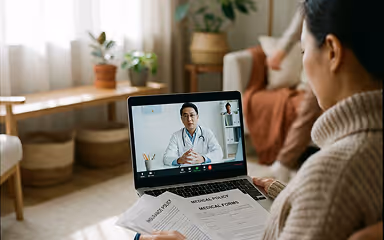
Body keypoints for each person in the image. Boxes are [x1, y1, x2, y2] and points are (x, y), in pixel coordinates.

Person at [138, 0, 383, 238]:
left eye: (303, 51)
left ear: (332, 52)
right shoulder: (345, 167)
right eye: (185, 116)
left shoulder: (331, 174)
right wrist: (289, 195)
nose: (189, 119)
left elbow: (218, 154)